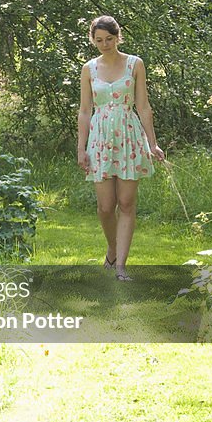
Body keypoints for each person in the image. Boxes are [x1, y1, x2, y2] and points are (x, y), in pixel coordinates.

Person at [77, 15, 165, 280]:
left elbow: (143, 107)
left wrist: (153, 143)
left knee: (126, 203)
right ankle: (112, 247)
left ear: (118, 37)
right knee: (106, 206)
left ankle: (121, 267)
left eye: (110, 39)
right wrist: (81, 148)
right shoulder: (89, 69)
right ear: (93, 40)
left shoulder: (135, 64)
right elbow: (84, 110)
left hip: (129, 136)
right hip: (100, 138)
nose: (105, 44)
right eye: (99, 40)